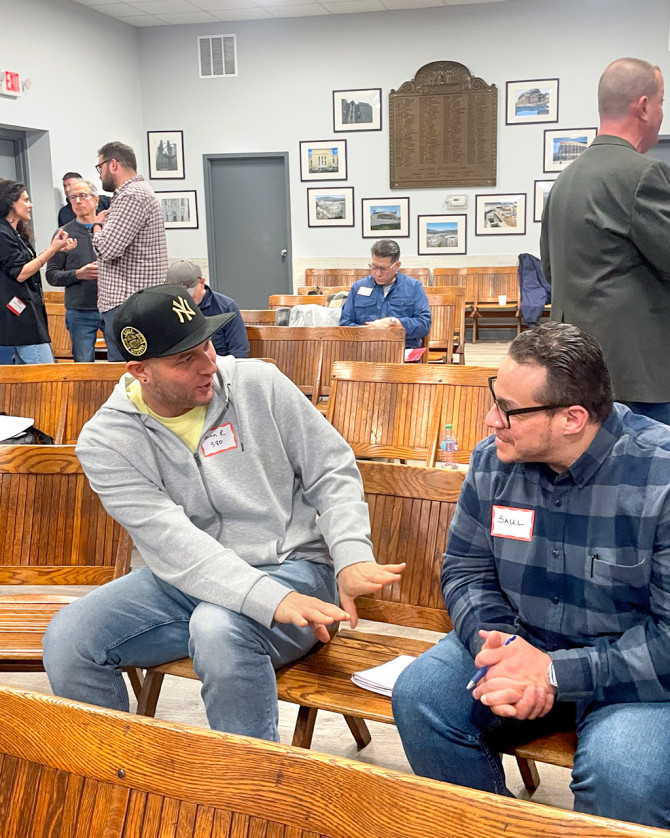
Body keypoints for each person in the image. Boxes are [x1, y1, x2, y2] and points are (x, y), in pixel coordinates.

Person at [43, 283, 403, 741]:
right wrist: (266, 599)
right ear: (140, 371)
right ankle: (117, 784)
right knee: (70, 639)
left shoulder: (259, 383)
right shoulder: (106, 441)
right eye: (184, 359)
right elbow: (173, 543)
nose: (208, 365)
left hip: (293, 568)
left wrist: (352, 554)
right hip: (187, 579)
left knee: (218, 630)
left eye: (206, 345)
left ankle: (251, 802)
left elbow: (330, 469)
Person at [392, 322, 670, 830]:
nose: (490, 418)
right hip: (521, 638)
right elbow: (466, 569)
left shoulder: (659, 479)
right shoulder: (493, 463)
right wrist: (500, 645)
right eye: (494, 398)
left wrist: (552, 673)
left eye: (510, 411)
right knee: (420, 697)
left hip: (631, 677)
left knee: (624, 774)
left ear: (572, 417)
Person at [541, 57, 670, 425]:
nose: (662, 113)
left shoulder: (564, 181)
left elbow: (550, 270)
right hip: (639, 380)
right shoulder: (644, 174)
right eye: (662, 102)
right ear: (644, 106)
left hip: (574, 371)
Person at [91, 141, 167, 361]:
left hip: (128, 305)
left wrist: (97, 225)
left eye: (100, 168)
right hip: (130, 304)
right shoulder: (133, 193)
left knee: (131, 375)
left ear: (113, 164)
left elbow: (107, 248)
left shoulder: (132, 195)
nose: (99, 175)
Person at [0, 179, 76, 364]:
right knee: (47, 376)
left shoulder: (14, 232)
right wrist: (52, 249)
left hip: (27, 316)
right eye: (25, 200)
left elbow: (27, 264)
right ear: (11, 203)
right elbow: (21, 273)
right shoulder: (2, 233)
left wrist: (56, 249)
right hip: (21, 322)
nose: (30, 205)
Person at [46, 179, 103, 362]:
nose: (77, 201)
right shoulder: (63, 233)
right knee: (83, 364)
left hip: (112, 307)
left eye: (83, 196)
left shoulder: (110, 230)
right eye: (73, 197)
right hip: (80, 311)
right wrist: (77, 274)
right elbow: (52, 275)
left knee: (120, 363)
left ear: (96, 200)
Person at [339, 240, 431, 349]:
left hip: (403, 352)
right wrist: (367, 331)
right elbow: (344, 324)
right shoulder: (358, 287)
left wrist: (394, 323)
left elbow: (424, 324)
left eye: (383, 269)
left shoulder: (413, 287)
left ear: (397, 266)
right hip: (365, 351)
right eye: (374, 267)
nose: (378, 273)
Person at [166, 259, 249, 358]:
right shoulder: (166, 307)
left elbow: (239, 352)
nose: (184, 298)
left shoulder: (227, 307)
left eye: (188, 293)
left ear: (202, 283)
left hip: (219, 366)